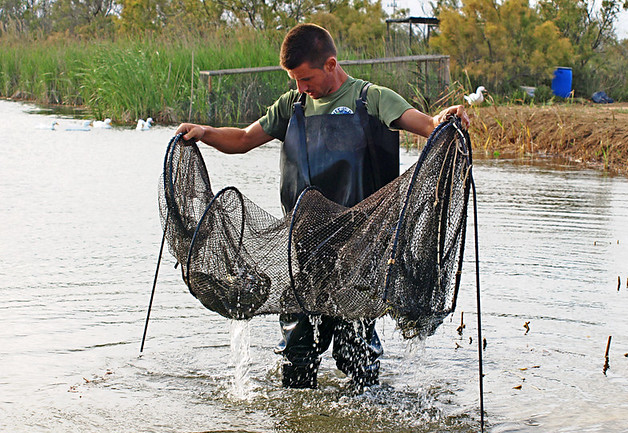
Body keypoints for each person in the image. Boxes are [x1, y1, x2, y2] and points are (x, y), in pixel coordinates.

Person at [176, 23, 469, 390]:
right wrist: (203, 132)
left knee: (357, 354)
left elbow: (428, 125)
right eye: (295, 80)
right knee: (297, 353)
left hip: (360, 250)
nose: (301, 87)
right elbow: (244, 139)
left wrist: (446, 118)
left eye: (306, 78)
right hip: (305, 249)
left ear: (331, 64)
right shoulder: (291, 106)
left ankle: (362, 422)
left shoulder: (372, 98)